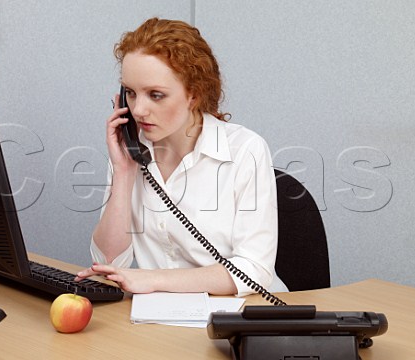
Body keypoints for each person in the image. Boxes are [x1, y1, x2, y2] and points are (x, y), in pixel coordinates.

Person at [75, 17, 288, 296]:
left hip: (245, 315)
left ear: (194, 95)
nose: (138, 110)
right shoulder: (132, 152)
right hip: (161, 321)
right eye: (130, 93)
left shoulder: (245, 150)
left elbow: (254, 271)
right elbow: (108, 263)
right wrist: (124, 173)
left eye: (156, 95)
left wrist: (152, 280)